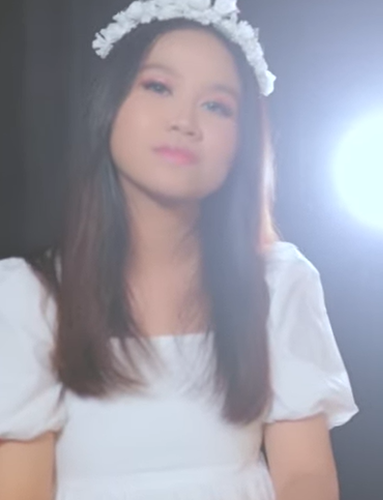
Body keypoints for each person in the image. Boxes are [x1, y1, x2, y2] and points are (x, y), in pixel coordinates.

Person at [0, 1, 357, 499]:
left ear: (243, 142)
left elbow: (306, 478)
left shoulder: (277, 283)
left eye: (217, 106)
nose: (185, 121)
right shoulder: (29, 295)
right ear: (109, 105)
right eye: (158, 87)